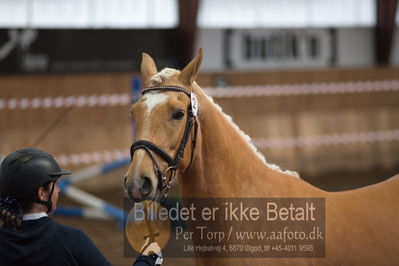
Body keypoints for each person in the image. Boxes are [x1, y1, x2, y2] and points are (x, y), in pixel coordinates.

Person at [0, 148, 162, 266]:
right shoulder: (71, 240)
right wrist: (148, 258)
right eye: (55, 185)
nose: (58, 190)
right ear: (41, 193)